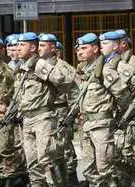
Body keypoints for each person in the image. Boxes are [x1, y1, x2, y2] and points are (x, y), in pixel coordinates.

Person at [16, 32, 74, 187]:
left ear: (33, 47)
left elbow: (65, 81)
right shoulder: (24, 66)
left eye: (23, 45)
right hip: (27, 119)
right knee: (33, 165)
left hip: (43, 118)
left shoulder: (40, 65)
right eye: (18, 44)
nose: (18, 48)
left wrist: (54, 94)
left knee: (48, 160)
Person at [75, 33, 130, 187]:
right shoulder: (85, 71)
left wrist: (119, 116)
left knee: (105, 168)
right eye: (78, 49)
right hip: (87, 125)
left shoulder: (105, 70)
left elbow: (122, 95)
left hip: (102, 126)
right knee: (89, 170)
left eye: (84, 48)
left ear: (95, 48)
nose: (80, 52)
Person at [100, 30, 135, 185]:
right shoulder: (105, 64)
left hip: (126, 119)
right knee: (115, 158)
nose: (101, 47)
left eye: (105, 43)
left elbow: (134, 91)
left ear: (118, 45)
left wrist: (128, 112)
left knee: (127, 156)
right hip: (112, 118)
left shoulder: (126, 65)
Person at [39, 33, 78, 186]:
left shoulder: (63, 67)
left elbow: (73, 91)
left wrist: (72, 113)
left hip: (61, 111)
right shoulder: (39, 65)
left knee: (63, 148)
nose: (39, 48)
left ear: (53, 48)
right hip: (45, 113)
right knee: (49, 151)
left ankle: (70, 178)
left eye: (43, 45)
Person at [0, 37, 25, 186]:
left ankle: (9, 177)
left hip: (4, 114)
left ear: (2, 51)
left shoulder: (7, 70)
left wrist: (4, 103)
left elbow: (11, 92)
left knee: (6, 148)